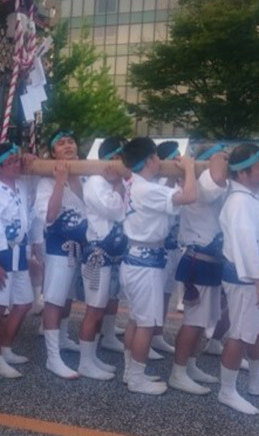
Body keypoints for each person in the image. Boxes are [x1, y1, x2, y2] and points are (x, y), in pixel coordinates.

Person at [120, 137, 196, 395]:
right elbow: (189, 196)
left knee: (135, 319)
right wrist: (189, 168)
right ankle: (136, 379)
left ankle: (131, 372)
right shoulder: (147, 189)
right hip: (146, 263)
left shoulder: (137, 184)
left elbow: (169, 197)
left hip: (135, 258)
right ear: (151, 160)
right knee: (146, 324)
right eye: (157, 157)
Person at [168, 143, 228, 395]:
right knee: (193, 322)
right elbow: (215, 177)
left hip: (209, 260)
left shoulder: (200, 180)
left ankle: (190, 365)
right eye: (221, 155)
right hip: (198, 261)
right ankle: (178, 372)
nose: (225, 160)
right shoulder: (202, 181)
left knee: (204, 321)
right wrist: (214, 158)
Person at [0, 143, 34, 379]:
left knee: (24, 302)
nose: (17, 164)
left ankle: (6, 347)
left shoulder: (20, 185)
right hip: (0, 253)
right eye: (11, 161)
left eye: (17, 160)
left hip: (19, 250)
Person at [34, 130, 86, 379]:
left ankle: (63, 337)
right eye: (61, 143)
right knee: (54, 300)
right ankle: (52, 357)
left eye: (71, 141)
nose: (67, 145)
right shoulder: (46, 181)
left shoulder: (86, 175)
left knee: (68, 297)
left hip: (82, 247)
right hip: (58, 248)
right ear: (53, 152)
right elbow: (50, 216)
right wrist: (58, 182)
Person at [78, 137, 127, 380]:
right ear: (111, 158)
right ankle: (85, 362)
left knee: (102, 306)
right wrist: (118, 186)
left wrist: (118, 185)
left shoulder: (112, 182)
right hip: (97, 254)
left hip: (111, 253)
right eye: (120, 157)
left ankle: (92, 356)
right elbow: (117, 211)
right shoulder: (97, 182)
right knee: (94, 309)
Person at [217, 143, 259, 414]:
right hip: (246, 278)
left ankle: (255, 382)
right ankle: (227, 391)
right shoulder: (240, 202)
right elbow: (248, 248)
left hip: (249, 277)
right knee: (241, 336)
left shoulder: (247, 197)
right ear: (243, 173)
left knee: (253, 333)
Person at [151, 140, 182, 356]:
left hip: (174, 247)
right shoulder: (157, 182)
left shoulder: (182, 181)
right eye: (175, 156)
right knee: (154, 293)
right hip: (158, 246)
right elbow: (163, 205)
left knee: (166, 292)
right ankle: (148, 335)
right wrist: (172, 177)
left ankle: (158, 334)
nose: (179, 160)